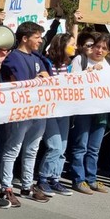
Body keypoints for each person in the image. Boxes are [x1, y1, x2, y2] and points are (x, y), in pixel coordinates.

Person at [0, 21, 51, 206]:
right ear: (25, 38)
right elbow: (19, 84)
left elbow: (46, 77)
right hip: (21, 111)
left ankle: (27, 185)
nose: (40, 40)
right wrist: (35, 81)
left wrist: (37, 80)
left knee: (32, 150)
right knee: (13, 149)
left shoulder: (37, 57)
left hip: (38, 110)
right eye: (37, 37)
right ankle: (6, 188)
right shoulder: (13, 58)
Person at [69, 32, 110, 194]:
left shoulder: (109, 65)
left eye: (104, 48)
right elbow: (72, 81)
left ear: (108, 51)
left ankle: (91, 178)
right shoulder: (80, 60)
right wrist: (91, 71)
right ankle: (78, 179)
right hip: (84, 110)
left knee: (94, 147)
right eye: (97, 46)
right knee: (81, 145)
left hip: (101, 111)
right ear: (91, 46)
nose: (99, 51)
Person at [37, 33, 76, 196]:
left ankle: (55, 179)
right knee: (55, 146)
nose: (74, 47)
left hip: (64, 110)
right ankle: (42, 179)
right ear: (62, 45)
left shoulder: (67, 64)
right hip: (50, 110)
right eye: (71, 44)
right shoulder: (47, 62)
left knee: (63, 148)